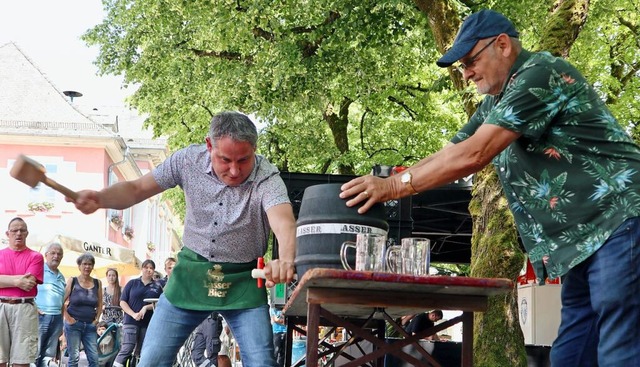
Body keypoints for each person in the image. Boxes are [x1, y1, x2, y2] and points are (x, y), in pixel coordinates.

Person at [340, 9, 640, 367]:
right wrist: (387, 181)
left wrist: (392, 188)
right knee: (570, 354)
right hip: (580, 244)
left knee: (620, 348)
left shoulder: (539, 75)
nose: (465, 73)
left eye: (470, 61)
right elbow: (449, 154)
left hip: (620, 222)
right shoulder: (493, 104)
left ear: (502, 45)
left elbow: (474, 154)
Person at [68, 111, 296, 367]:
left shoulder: (267, 177)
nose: (234, 170)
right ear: (209, 145)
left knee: (262, 363)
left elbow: (284, 221)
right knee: (151, 361)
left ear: (254, 149)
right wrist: (100, 198)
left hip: (243, 281)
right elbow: (137, 188)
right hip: (189, 275)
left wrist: (286, 259)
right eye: (225, 159)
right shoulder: (187, 160)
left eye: (244, 160)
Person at [0, 217, 44, 367]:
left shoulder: (36, 257)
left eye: (22, 230)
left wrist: (3, 280)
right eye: (14, 230)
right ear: (8, 233)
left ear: (27, 233)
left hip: (24, 308)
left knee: (22, 361)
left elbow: (29, 283)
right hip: (1, 306)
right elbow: (22, 282)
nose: (18, 233)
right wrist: (17, 281)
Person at [112, 260, 162, 367]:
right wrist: (133, 314)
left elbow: (160, 303)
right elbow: (122, 302)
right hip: (131, 321)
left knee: (141, 351)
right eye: (146, 267)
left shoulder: (157, 287)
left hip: (147, 323)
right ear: (142, 269)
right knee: (128, 348)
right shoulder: (132, 283)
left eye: (151, 268)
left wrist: (146, 308)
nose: (149, 270)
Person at [62, 253, 103, 367]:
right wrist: (68, 318)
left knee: (94, 359)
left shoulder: (97, 283)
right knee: (74, 358)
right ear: (79, 266)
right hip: (74, 325)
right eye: (84, 264)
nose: (87, 267)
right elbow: (61, 301)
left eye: (90, 264)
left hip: (90, 325)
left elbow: (100, 304)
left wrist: (96, 320)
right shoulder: (73, 281)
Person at [35, 242, 66, 367]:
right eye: (53, 253)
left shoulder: (62, 277)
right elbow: (27, 290)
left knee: (48, 355)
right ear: (46, 255)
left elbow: (62, 301)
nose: (56, 256)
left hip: (57, 318)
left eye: (59, 254)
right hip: (40, 317)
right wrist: (34, 307)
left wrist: (62, 321)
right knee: (35, 352)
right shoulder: (38, 270)